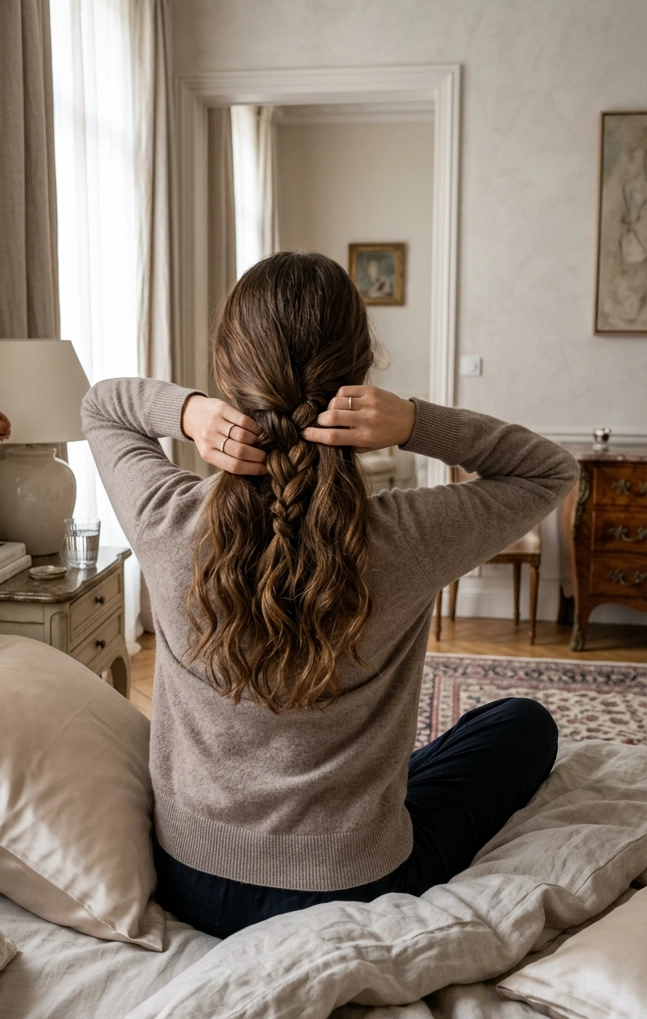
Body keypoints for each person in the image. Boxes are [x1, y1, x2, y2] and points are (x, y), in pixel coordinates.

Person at [82, 252, 578, 939]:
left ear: (228, 371)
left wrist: (189, 413)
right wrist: (415, 422)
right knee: (524, 723)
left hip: (191, 880)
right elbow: (550, 470)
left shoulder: (167, 520)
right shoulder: (408, 536)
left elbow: (102, 406)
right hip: (355, 883)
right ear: (360, 372)